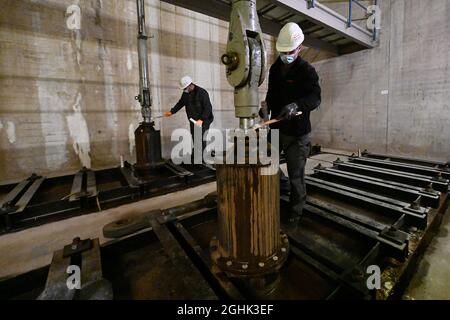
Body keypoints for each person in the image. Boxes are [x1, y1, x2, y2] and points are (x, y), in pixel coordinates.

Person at [263, 22, 322, 224]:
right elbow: (271, 94)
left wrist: (297, 105)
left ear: (299, 48)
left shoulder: (307, 71)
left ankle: (295, 212)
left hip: (297, 134)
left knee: (296, 175)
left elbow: (315, 98)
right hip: (276, 130)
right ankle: (283, 186)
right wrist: (264, 109)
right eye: (283, 51)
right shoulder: (274, 69)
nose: (286, 55)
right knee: (268, 164)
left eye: (290, 51)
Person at [164, 76, 214, 156]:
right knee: (195, 137)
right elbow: (181, 103)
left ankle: (204, 158)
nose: (184, 90)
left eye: (185, 88)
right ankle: (198, 156)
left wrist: (201, 120)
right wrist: (172, 111)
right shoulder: (186, 93)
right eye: (183, 89)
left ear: (190, 85)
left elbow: (208, 108)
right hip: (193, 120)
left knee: (201, 138)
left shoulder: (202, 93)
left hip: (204, 120)